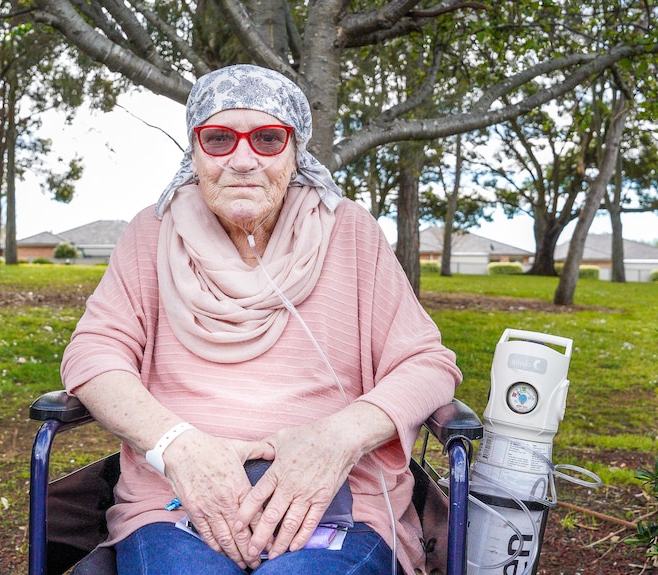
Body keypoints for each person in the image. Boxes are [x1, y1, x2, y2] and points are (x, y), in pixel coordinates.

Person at [61, 64, 462, 575]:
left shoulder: (350, 232)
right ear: (195, 151)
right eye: (219, 139)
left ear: (295, 153)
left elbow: (427, 364)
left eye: (269, 139)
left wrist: (336, 440)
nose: (243, 160)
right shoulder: (152, 233)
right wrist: (177, 447)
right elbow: (94, 354)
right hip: (174, 504)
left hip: (339, 504)